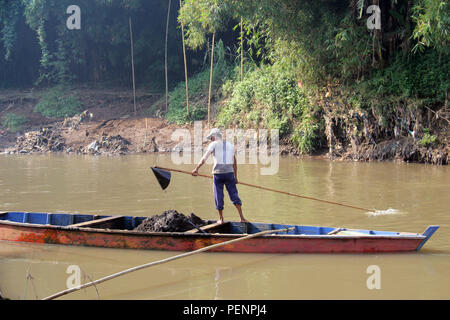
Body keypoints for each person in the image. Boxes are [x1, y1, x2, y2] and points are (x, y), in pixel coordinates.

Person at [192, 128, 248, 224]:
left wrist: (196, 169)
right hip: (230, 174)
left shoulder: (213, 144)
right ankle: (242, 218)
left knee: (218, 196)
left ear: (214, 137)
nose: (211, 140)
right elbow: (234, 162)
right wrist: (236, 177)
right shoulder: (230, 145)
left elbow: (204, 158)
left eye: (211, 138)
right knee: (234, 195)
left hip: (218, 174)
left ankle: (221, 219)